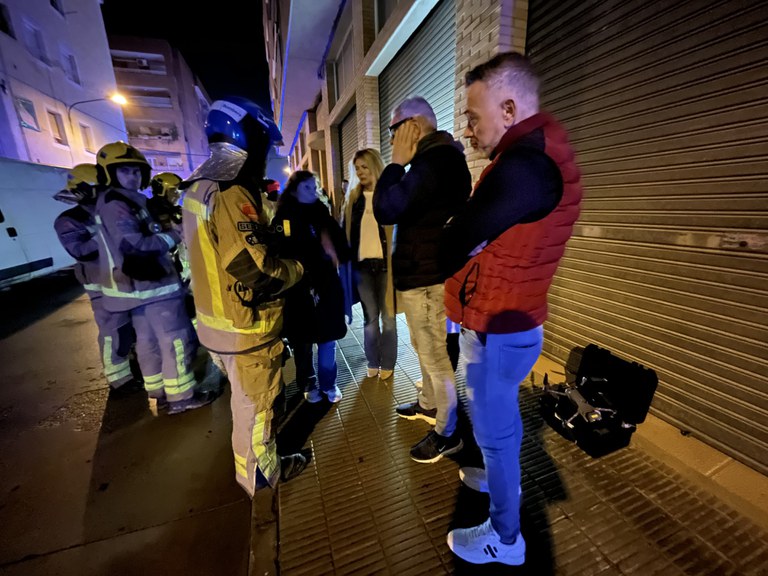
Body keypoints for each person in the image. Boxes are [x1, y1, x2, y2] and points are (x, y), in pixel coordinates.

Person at [440, 52, 582, 566]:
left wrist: (461, 234)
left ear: (507, 109)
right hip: (503, 322)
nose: (467, 129)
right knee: (495, 425)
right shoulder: (531, 156)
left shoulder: (526, 166)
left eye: (472, 116)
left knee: (496, 434)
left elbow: (453, 243)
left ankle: (506, 538)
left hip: (499, 331)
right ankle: (493, 475)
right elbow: (474, 236)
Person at [180, 97, 307, 496]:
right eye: (263, 144)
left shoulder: (198, 187)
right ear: (246, 137)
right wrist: (298, 269)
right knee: (255, 410)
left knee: (246, 405)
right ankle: (261, 477)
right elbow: (256, 270)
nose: (265, 154)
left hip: (216, 325)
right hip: (244, 327)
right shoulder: (231, 190)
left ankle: (255, 470)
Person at [373, 96, 471, 463]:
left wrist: (395, 164)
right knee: (424, 348)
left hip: (427, 277)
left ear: (413, 126)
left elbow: (386, 207)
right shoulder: (439, 159)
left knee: (434, 356)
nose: (392, 138)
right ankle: (429, 404)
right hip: (424, 274)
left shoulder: (435, 162)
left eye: (394, 129)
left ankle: (447, 431)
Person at [94, 141, 212, 415]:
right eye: (125, 171)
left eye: (136, 171)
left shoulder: (119, 201)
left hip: (139, 290)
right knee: (176, 339)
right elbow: (135, 245)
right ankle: (182, 396)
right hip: (153, 287)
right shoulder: (118, 204)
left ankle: (158, 394)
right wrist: (174, 235)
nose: (133, 177)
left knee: (148, 342)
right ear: (109, 173)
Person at [53, 164, 141, 395]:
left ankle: (134, 368)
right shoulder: (70, 220)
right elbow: (81, 252)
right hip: (101, 285)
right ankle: (119, 381)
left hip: (126, 280)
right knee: (115, 331)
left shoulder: (111, 210)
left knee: (132, 330)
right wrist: (108, 230)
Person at [273, 170, 348, 403]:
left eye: (314, 187)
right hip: (298, 288)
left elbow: (339, 243)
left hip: (325, 284)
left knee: (328, 338)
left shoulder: (321, 212)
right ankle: (307, 382)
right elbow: (279, 251)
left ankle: (329, 382)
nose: (313, 191)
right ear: (294, 189)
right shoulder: (284, 216)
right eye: (307, 187)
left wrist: (335, 252)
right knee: (302, 342)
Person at [344, 148, 396, 381]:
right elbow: (345, 236)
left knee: (389, 318)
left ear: (375, 166)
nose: (360, 172)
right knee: (370, 319)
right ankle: (373, 360)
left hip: (387, 267)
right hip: (362, 268)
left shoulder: (389, 196)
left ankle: (388, 362)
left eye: (364, 167)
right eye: (357, 168)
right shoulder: (352, 200)